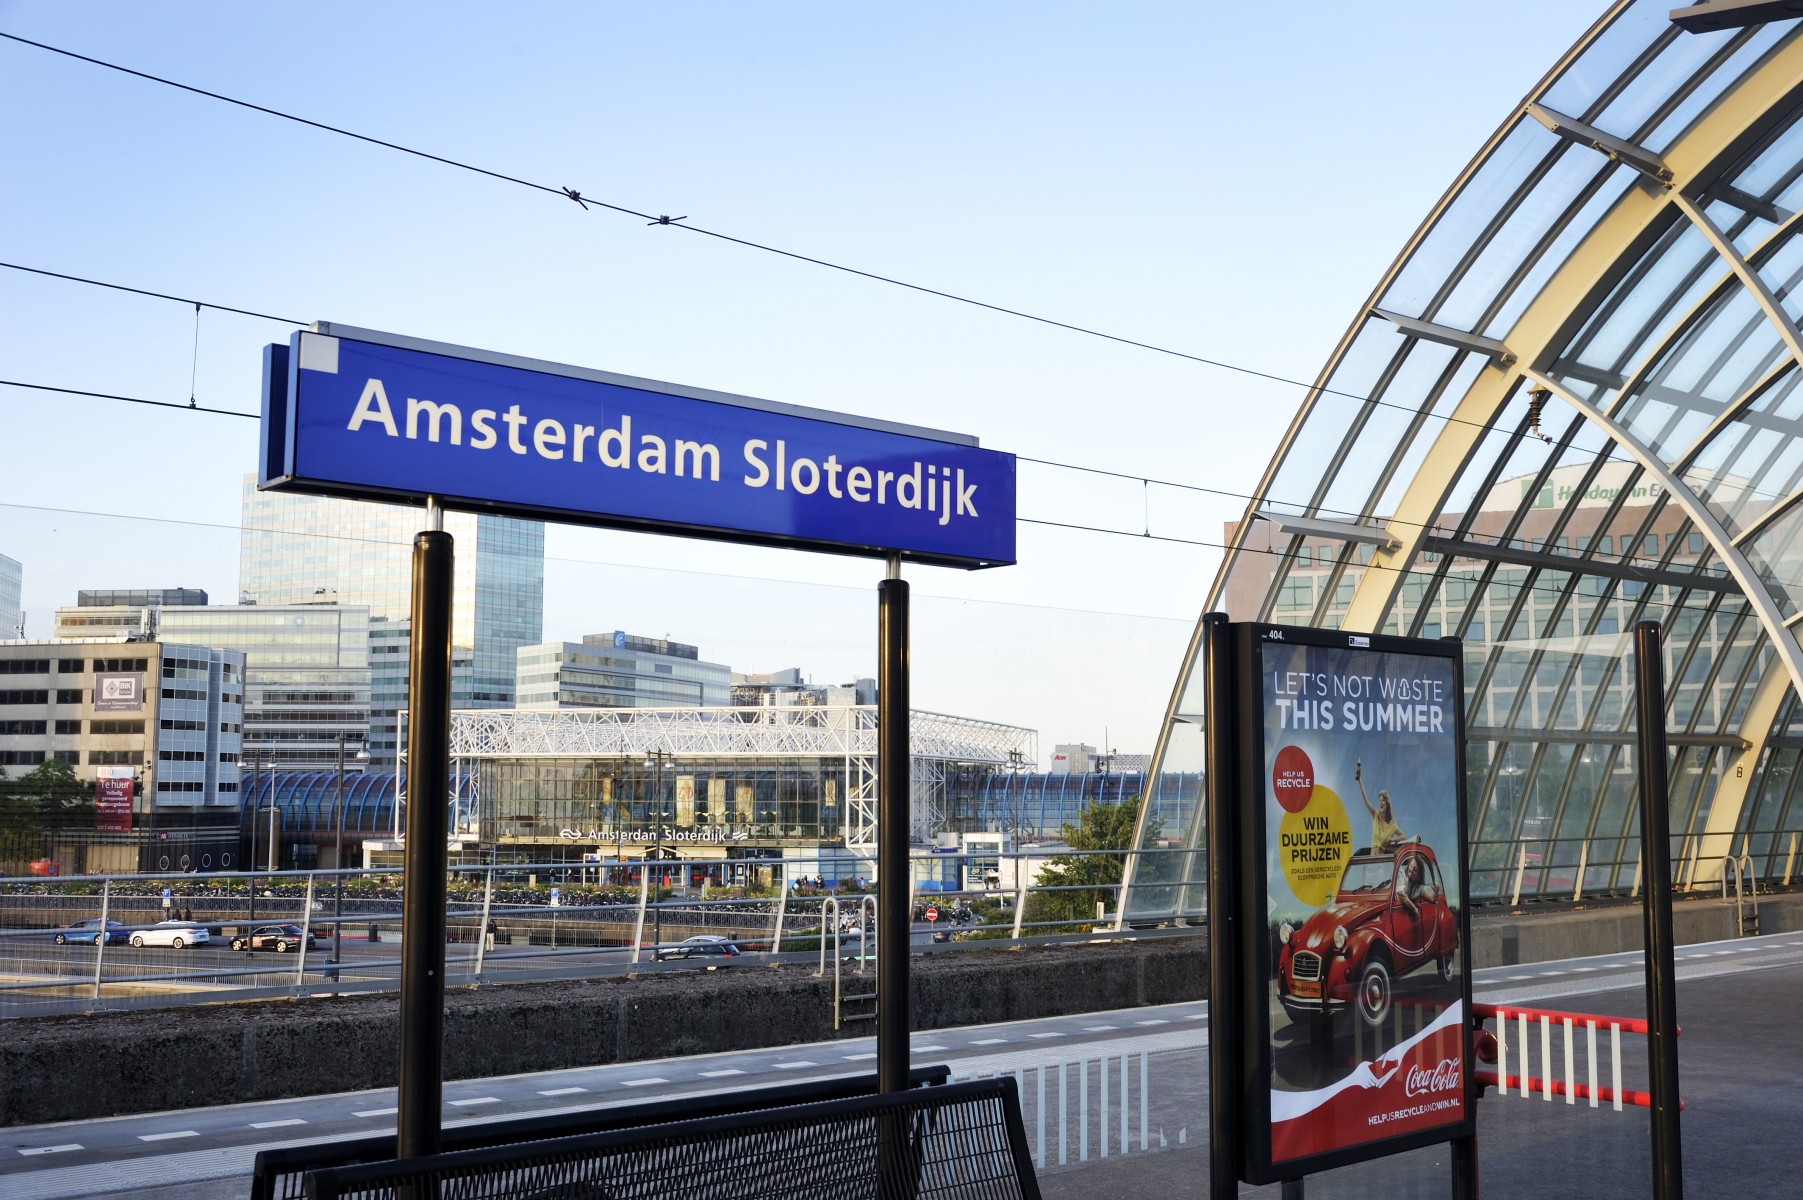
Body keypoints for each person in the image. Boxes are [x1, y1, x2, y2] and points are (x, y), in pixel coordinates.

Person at [1354, 761, 1409, 851]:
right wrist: (1359, 780)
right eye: (1379, 801)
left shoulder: (1392, 825)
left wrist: (1393, 839)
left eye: (1383, 800)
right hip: (1372, 861)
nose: (1380, 803)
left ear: (1387, 803)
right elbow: (1365, 799)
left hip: (1383, 862)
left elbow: (1404, 836)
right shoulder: (1375, 815)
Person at [1397, 854, 1436, 919]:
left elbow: (1432, 900)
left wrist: (1436, 892)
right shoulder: (1401, 873)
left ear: (1418, 875)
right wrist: (1414, 908)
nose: (1411, 870)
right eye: (1411, 866)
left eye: (1415, 869)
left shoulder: (1417, 887)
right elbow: (1401, 894)